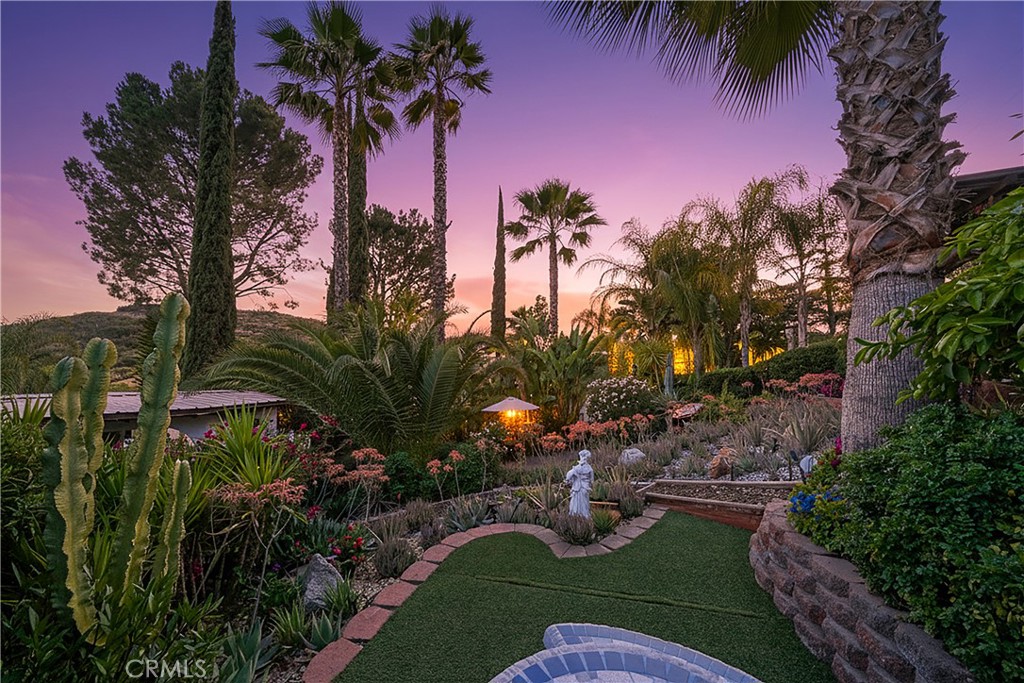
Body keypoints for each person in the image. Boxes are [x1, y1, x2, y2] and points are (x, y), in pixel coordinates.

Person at [565, 449, 594, 518]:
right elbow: (592, 480)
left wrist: (568, 481)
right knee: (583, 503)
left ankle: (578, 516)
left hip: (578, 487)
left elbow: (569, 475)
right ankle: (583, 516)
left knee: (577, 502)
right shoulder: (589, 468)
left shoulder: (577, 468)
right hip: (583, 487)